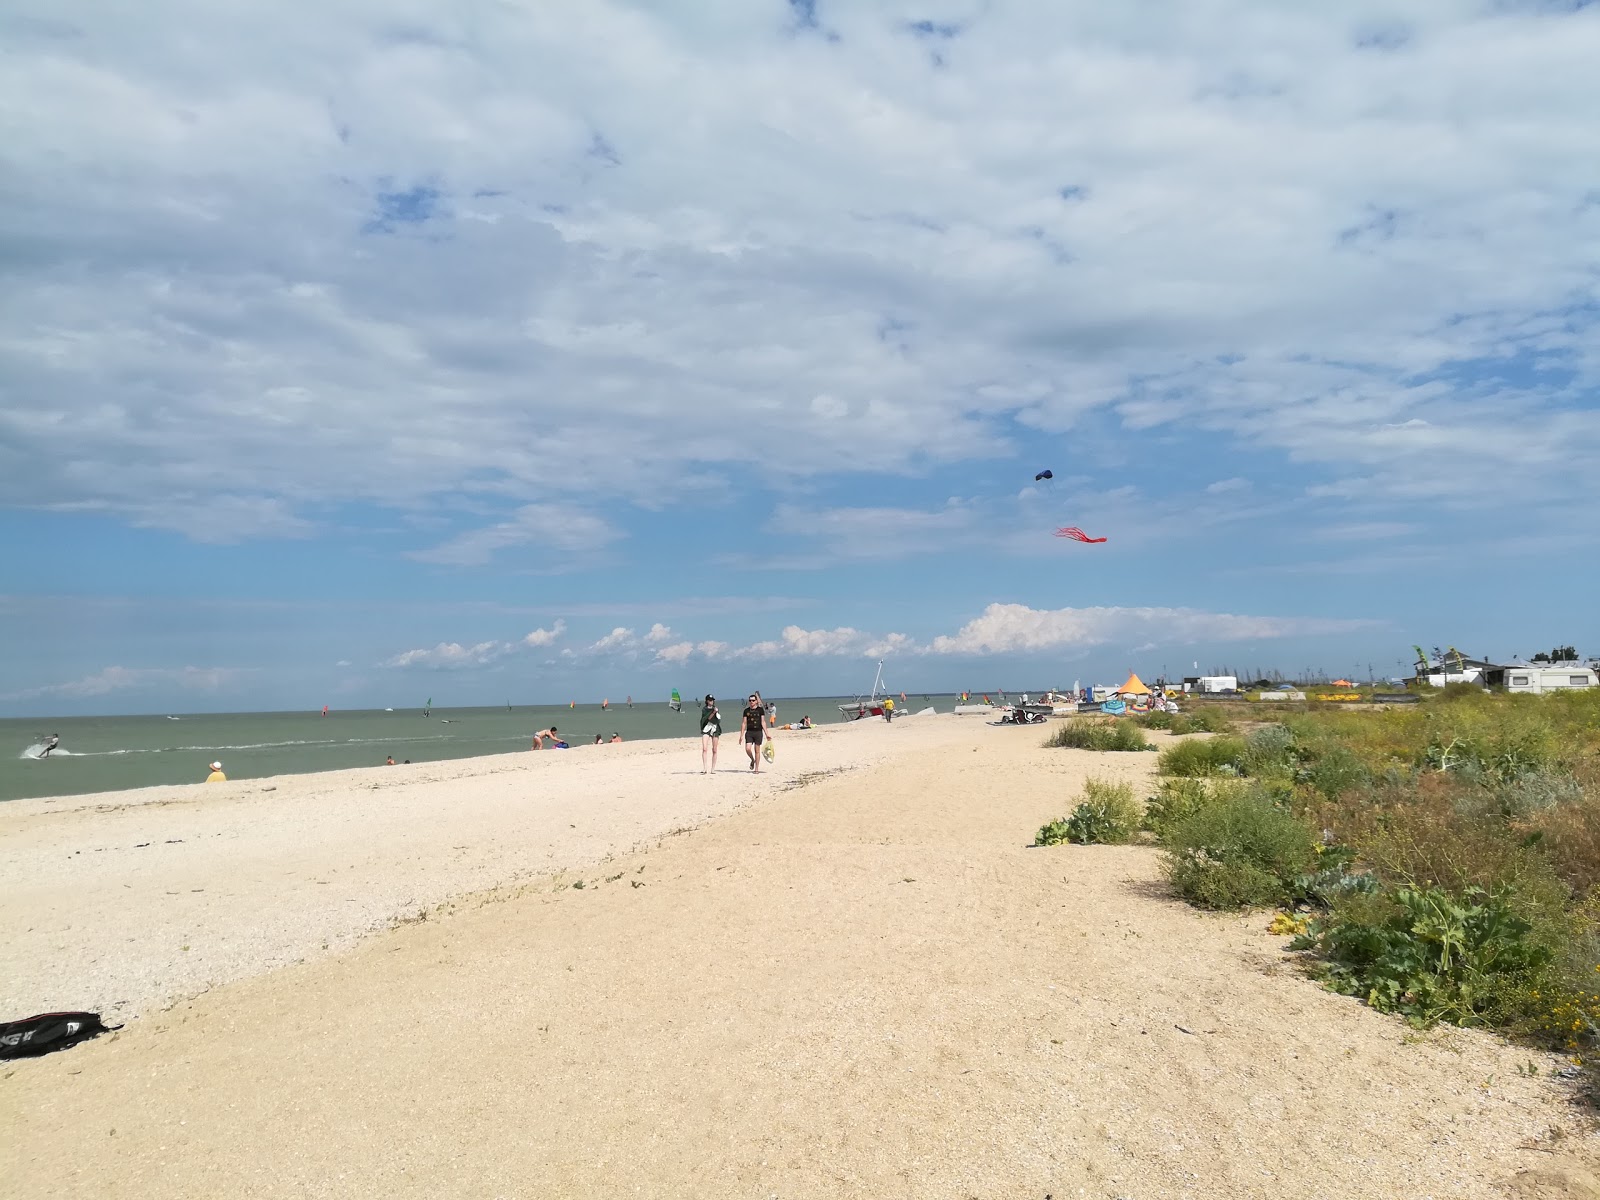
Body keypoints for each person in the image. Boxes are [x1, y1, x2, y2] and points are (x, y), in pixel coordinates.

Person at [741, 693, 766, 772]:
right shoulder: (746, 711)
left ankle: (756, 769)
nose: (751, 702)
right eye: (750, 700)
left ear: (756, 701)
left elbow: (763, 722)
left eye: (753, 700)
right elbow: (744, 723)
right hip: (749, 732)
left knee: (757, 750)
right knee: (748, 749)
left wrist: (767, 733)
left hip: (758, 732)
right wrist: (741, 735)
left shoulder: (760, 710)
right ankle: (752, 759)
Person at [699, 695, 722, 774]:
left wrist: (716, 712)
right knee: (704, 748)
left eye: (712, 700)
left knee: (714, 750)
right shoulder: (704, 709)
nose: (711, 701)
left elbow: (718, 719)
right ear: (707, 701)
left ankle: (713, 769)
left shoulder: (716, 708)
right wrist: (713, 712)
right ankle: (705, 768)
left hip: (715, 729)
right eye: (710, 700)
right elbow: (707, 718)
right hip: (706, 728)